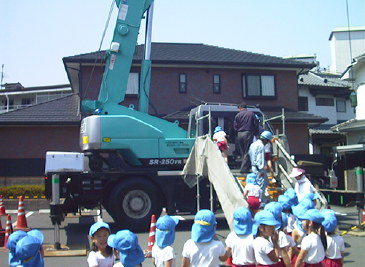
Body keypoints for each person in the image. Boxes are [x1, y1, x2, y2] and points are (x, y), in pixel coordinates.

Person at [249, 130, 273, 207]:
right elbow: (260, 158)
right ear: (265, 139)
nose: (267, 143)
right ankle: (261, 202)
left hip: (253, 166)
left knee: (265, 182)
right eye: (268, 141)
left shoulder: (253, 144)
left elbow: (250, 154)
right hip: (259, 168)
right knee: (261, 185)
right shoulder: (261, 146)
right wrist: (261, 169)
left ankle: (261, 200)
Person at [234, 102, 259, 174]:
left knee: (242, 151)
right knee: (247, 151)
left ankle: (245, 167)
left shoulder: (237, 115)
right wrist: (256, 134)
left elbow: (235, 126)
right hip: (248, 133)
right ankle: (244, 169)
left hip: (239, 134)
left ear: (240, 108)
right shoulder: (251, 114)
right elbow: (255, 125)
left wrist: (236, 134)